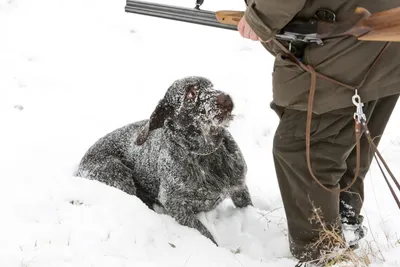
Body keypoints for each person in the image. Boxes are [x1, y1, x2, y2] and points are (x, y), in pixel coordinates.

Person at [237, 0, 400, 266]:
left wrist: (260, 17)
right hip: (384, 36)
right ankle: (343, 220)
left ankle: (323, 255)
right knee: (346, 143)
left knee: (301, 150)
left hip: (347, 43)